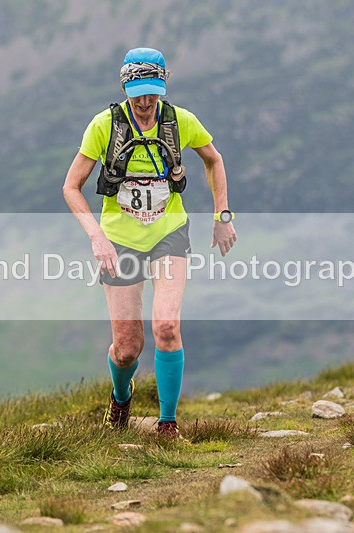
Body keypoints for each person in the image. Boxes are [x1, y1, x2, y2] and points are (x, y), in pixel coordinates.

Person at [63, 48, 237, 438]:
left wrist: (222, 215)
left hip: (169, 235)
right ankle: (121, 398)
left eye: (152, 93)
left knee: (167, 326)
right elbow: (70, 187)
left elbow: (214, 159)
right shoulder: (104, 125)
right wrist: (97, 238)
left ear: (163, 86)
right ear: (125, 87)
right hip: (119, 241)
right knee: (127, 348)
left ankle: (167, 423)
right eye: (138, 93)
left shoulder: (180, 121)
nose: (145, 102)